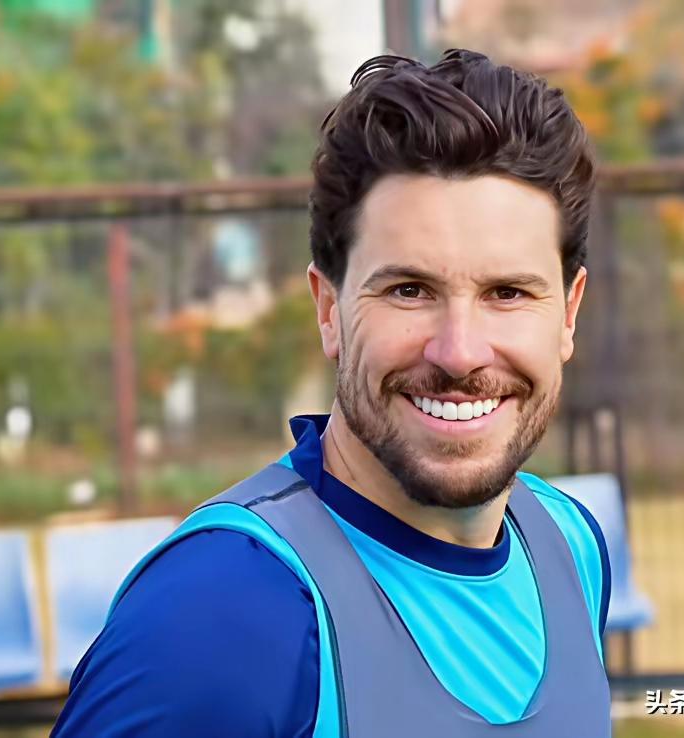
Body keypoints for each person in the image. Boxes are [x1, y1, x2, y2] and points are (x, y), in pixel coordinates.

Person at [52, 48, 612, 737]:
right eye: (409, 290)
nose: (460, 351)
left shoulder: (570, 545)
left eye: (508, 293)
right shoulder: (220, 618)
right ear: (328, 309)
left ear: (568, 313)